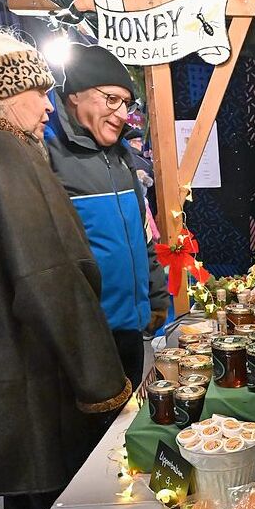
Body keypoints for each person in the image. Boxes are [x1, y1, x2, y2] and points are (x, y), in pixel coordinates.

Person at [0, 30, 131, 509]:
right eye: (39, 91)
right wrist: (107, 390)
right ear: (4, 92)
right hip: (35, 387)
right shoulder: (6, 153)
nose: (49, 106)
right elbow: (51, 279)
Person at [45, 45, 169, 390]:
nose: (121, 114)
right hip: (83, 340)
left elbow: (142, 235)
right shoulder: (46, 151)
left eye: (127, 103)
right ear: (75, 96)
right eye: (111, 99)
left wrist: (156, 297)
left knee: (124, 429)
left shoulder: (121, 156)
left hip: (129, 332)